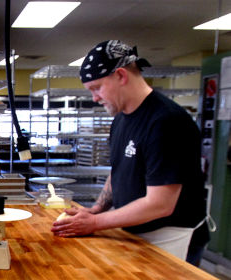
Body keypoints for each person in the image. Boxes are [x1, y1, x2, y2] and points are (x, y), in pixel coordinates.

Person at [51, 40, 209, 266]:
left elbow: (160, 204)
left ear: (121, 76)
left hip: (171, 235)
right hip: (136, 232)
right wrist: (97, 209)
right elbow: (119, 171)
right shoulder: (121, 120)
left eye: (97, 88)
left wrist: (94, 224)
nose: (95, 98)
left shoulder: (166, 122)